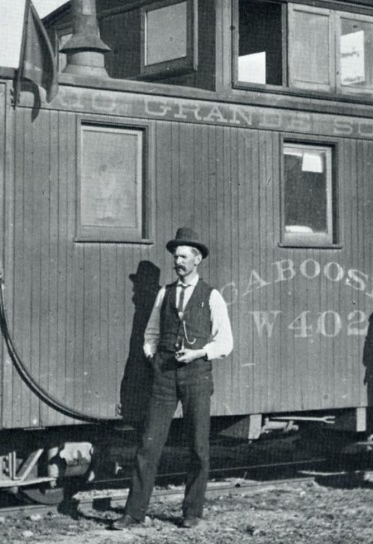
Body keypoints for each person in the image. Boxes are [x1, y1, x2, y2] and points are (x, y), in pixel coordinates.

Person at [111, 227, 234, 530]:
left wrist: (198, 353)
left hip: (196, 376)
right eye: (175, 256)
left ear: (197, 259)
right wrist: (153, 354)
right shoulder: (164, 293)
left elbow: (225, 343)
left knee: (198, 447)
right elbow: (151, 332)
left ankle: (192, 512)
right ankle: (134, 513)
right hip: (164, 376)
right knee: (148, 446)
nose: (177, 261)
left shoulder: (212, 296)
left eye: (183, 256)